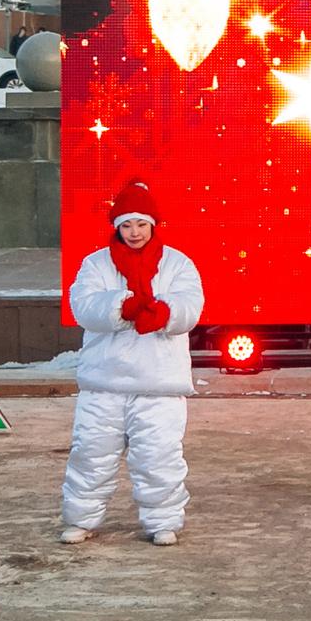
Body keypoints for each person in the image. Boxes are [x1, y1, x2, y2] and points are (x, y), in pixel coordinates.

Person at [62, 179, 204, 546]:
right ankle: (80, 518)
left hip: (159, 384)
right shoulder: (95, 264)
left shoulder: (177, 263)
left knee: (159, 458)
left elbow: (190, 305)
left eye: (140, 224)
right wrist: (120, 307)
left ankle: (163, 522)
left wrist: (164, 314)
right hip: (104, 384)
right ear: (116, 227)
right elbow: (83, 306)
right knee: (91, 454)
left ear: (152, 225)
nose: (134, 232)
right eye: (126, 225)